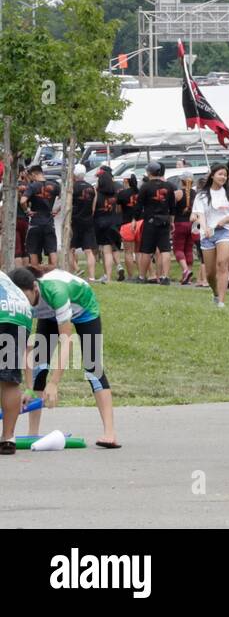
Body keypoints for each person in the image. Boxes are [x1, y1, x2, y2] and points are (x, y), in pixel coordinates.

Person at [14, 265, 120, 447]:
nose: (23, 301)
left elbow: (67, 341)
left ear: (35, 287)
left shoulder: (56, 292)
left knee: (92, 368)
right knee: (39, 367)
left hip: (84, 311)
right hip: (50, 316)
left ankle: (109, 433)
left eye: (25, 297)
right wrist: (30, 388)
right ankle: (33, 433)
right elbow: (27, 348)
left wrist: (54, 383)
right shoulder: (21, 304)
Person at [193, 163, 229, 309]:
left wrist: (225, 220)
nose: (223, 177)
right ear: (212, 175)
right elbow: (200, 214)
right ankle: (215, 292)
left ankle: (221, 301)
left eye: (225, 175)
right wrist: (204, 227)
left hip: (225, 231)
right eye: (220, 174)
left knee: (222, 263)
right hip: (207, 233)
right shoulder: (202, 195)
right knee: (209, 273)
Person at [0, 270, 34, 454]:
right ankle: (8, 438)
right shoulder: (7, 281)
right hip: (20, 314)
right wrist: (29, 386)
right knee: (9, 380)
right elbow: (28, 349)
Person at [137, 162, 180, 285]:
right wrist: (172, 221)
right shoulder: (169, 186)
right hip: (165, 220)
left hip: (150, 220)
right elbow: (172, 206)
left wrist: (135, 218)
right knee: (165, 249)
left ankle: (141, 276)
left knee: (146, 250)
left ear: (149, 172)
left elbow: (139, 205)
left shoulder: (145, 187)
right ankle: (165, 276)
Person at [20, 165, 60, 266]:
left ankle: (35, 273)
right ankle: (54, 273)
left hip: (36, 222)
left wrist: (27, 210)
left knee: (34, 251)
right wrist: (57, 210)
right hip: (49, 222)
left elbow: (22, 201)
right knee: (52, 250)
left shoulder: (32, 186)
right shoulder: (54, 185)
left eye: (31, 176)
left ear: (34, 174)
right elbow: (65, 198)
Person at [92, 167, 123, 284]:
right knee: (110, 250)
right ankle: (109, 276)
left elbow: (93, 210)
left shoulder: (97, 194)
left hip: (100, 223)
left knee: (105, 251)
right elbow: (119, 208)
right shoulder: (115, 194)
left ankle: (107, 277)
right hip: (113, 222)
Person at [69, 164, 99, 281]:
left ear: (74, 174)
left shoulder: (72, 187)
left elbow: (68, 205)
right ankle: (91, 276)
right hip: (87, 221)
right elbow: (93, 208)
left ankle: (76, 269)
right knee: (88, 250)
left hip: (75, 221)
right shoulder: (92, 189)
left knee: (70, 249)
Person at [171, 174, 198, 287]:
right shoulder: (196, 195)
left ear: (181, 181)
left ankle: (185, 270)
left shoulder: (177, 194)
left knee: (178, 249)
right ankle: (188, 275)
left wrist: (171, 222)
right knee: (188, 249)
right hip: (192, 225)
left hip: (179, 223)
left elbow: (171, 209)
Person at [116, 175, 141, 282]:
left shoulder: (122, 194)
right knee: (139, 251)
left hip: (127, 223)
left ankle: (131, 276)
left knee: (128, 252)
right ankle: (141, 275)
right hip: (140, 223)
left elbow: (118, 210)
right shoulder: (140, 192)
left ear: (126, 181)